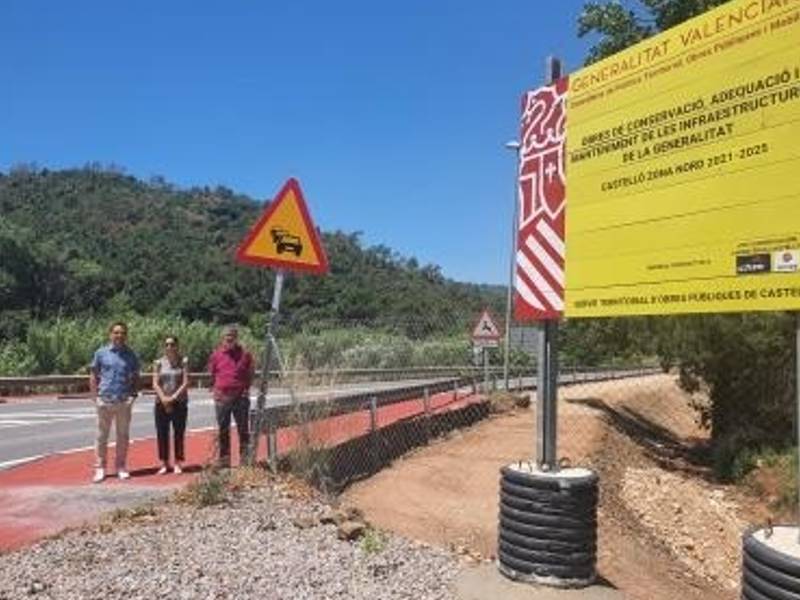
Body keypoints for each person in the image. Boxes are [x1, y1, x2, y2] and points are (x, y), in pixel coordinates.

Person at [89, 321, 140, 483]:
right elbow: (93, 375)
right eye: (116, 332)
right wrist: (95, 397)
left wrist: (133, 396)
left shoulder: (131, 355)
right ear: (110, 334)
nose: (119, 336)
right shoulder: (101, 353)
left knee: (123, 436)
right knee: (101, 436)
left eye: (123, 333)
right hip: (104, 400)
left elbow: (136, 376)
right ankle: (100, 468)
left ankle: (121, 466)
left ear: (126, 335)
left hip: (123, 402)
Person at [207, 325, 254, 467]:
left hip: (240, 398)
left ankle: (245, 460)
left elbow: (250, 373)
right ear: (223, 338)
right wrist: (216, 392)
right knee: (223, 430)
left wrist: (246, 388)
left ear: (236, 338)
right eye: (227, 336)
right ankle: (224, 460)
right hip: (222, 399)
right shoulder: (216, 355)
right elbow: (212, 374)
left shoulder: (245, 354)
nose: (229, 339)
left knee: (243, 430)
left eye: (232, 336)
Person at [152, 335, 190, 475]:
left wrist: (173, 398)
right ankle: (164, 462)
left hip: (179, 402)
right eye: (167, 344)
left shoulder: (183, 362)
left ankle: (178, 462)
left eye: (172, 344)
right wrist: (164, 398)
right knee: (162, 433)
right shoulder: (158, 362)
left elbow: (185, 382)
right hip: (161, 402)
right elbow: (155, 383)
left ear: (177, 346)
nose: (169, 347)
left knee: (178, 433)